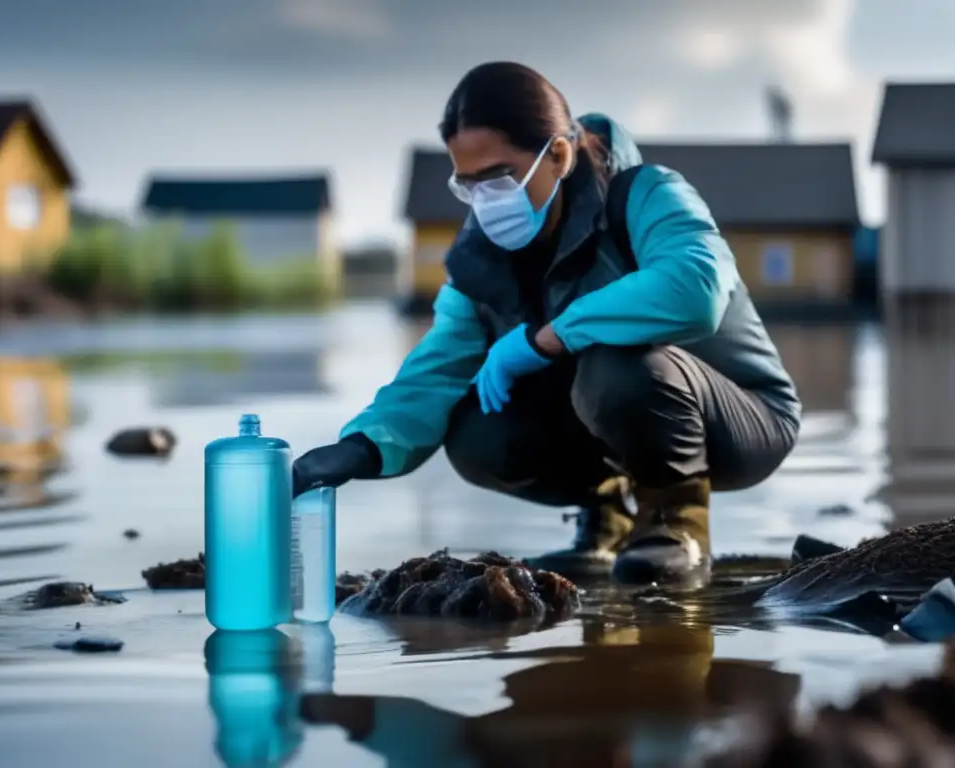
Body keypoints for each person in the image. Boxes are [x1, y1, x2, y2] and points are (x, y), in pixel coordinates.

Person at [292, 61, 801, 588]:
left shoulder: (647, 194)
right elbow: (437, 369)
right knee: (476, 431)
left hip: (742, 419)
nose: (485, 202)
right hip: (610, 408)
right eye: (467, 185)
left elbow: (694, 289)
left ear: (557, 155)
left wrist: (547, 337)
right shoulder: (480, 258)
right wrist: (358, 448)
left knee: (613, 358)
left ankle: (676, 522)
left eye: (497, 177)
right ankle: (606, 514)